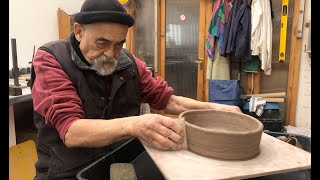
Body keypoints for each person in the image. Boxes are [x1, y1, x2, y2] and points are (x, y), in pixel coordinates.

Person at [30, 0, 242, 179]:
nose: (111, 54)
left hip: (118, 166)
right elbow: (72, 131)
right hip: (67, 172)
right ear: (78, 31)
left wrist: (214, 109)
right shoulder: (51, 60)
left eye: (119, 44)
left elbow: (168, 100)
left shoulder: (128, 62)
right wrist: (136, 124)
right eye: (102, 43)